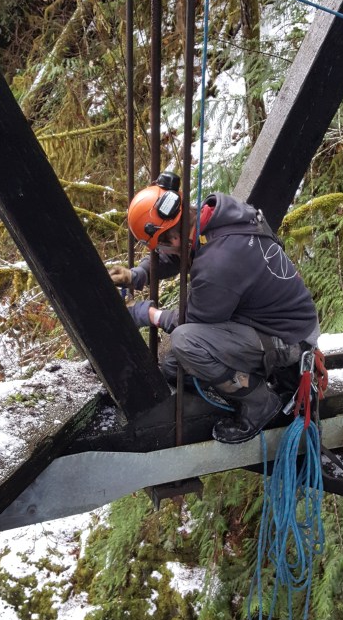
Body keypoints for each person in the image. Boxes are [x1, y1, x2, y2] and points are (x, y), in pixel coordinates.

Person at [109, 172, 319, 444]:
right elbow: (179, 251)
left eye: (160, 244)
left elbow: (192, 322)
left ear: (172, 239)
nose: (163, 251)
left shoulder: (217, 263)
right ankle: (245, 374)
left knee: (186, 344)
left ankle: (260, 402)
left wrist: (147, 314)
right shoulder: (216, 214)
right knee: (175, 368)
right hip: (281, 322)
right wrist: (137, 275)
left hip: (288, 341)